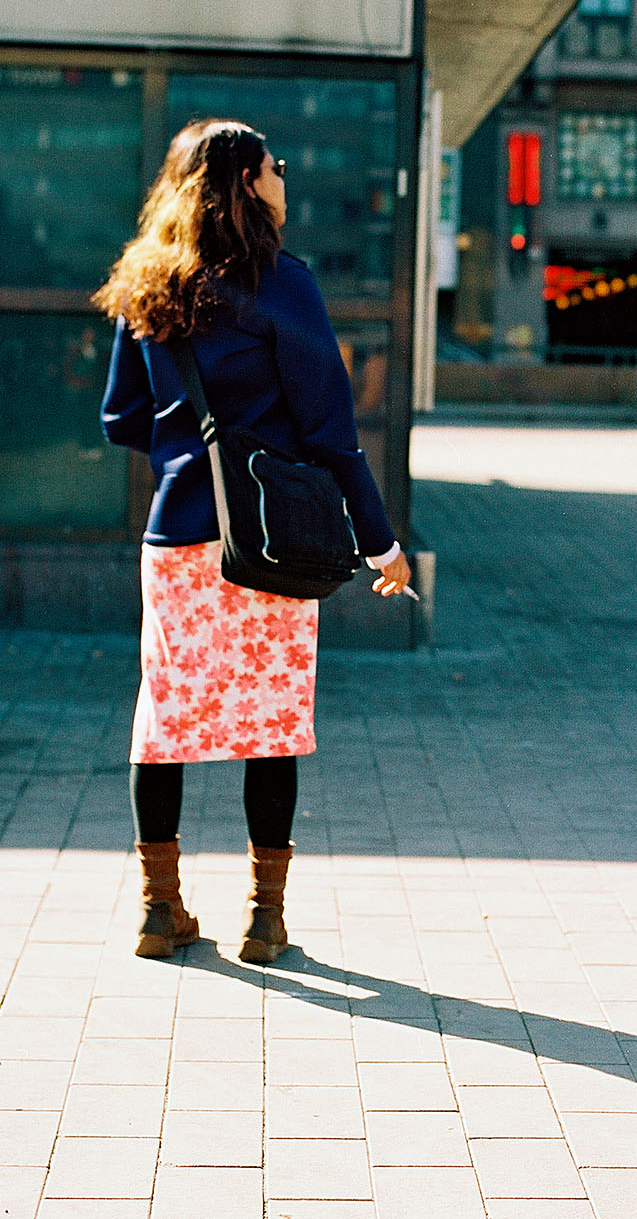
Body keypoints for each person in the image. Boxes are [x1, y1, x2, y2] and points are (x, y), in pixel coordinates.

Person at [95, 119, 413, 965]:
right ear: (243, 181)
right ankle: (264, 921)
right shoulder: (283, 284)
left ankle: (160, 914)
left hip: (177, 538)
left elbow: (119, 417)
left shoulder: (146, 286)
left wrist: (184, 456)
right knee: (270, 723)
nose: (283, 175)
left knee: (162, 720)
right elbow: (333, 434)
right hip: (270, 541)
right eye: (274, 165)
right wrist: (382, 545)